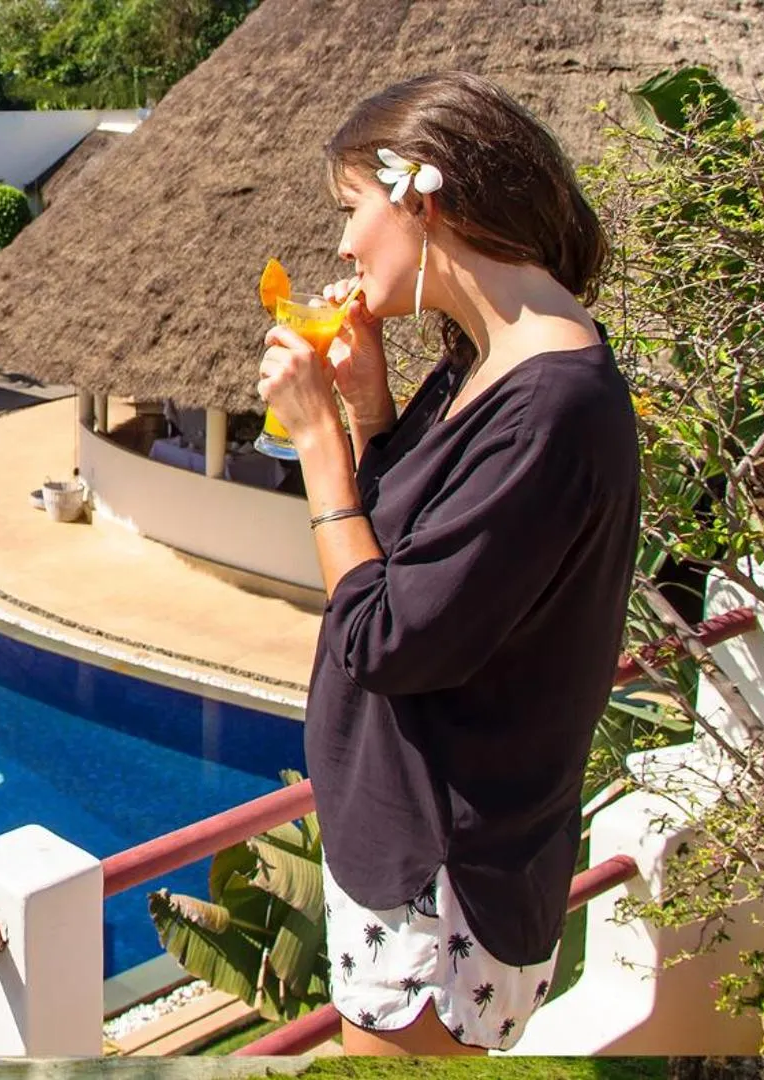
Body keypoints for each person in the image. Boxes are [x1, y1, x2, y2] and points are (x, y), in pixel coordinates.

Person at [255, 71, 640, 1055]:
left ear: (421, 201)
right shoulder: (482, 360)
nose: (341, 245)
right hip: (415, 856)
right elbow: (417, 555)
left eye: (351, 210)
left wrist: (318, 447)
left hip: (442, 888)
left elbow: (386, 637)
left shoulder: (548, 405)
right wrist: (375, 411)